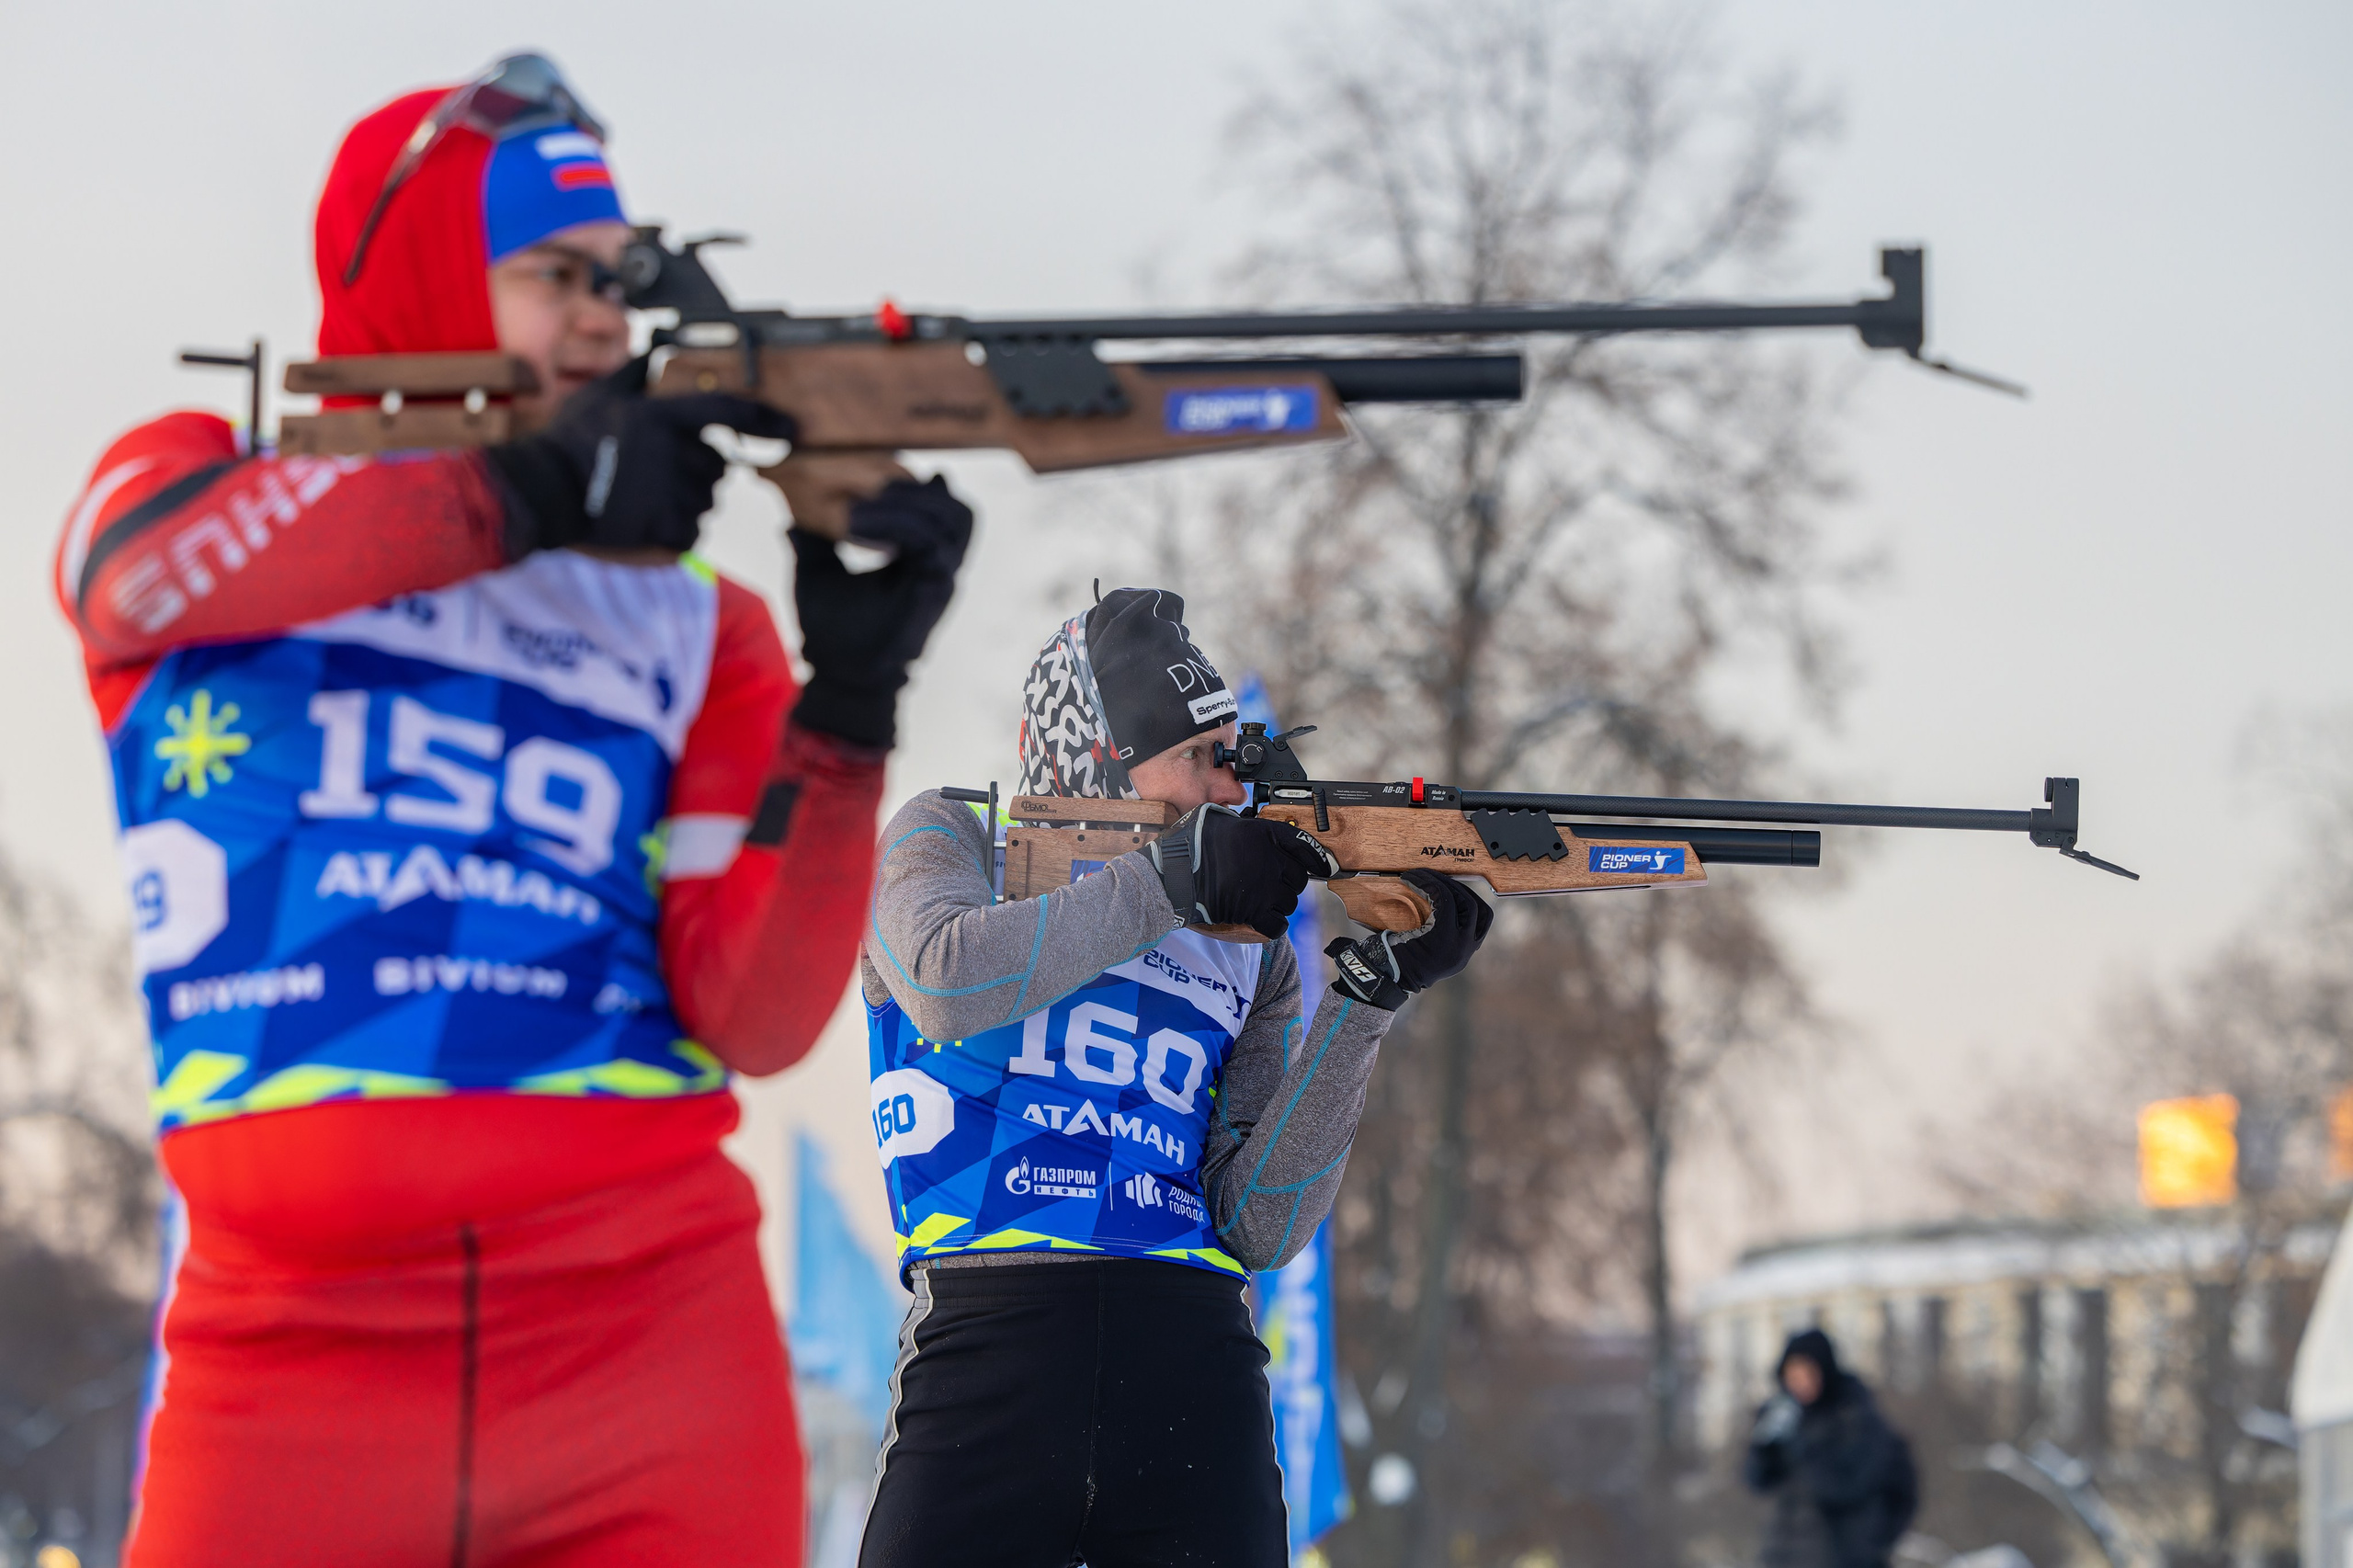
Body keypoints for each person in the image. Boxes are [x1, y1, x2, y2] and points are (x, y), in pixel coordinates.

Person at [56, 53, 970, 1567]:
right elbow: (125, 573)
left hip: (646, 1345)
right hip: (285, 1360)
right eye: (555, 275)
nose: (606, 319)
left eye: (619, 280)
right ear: (414, 270)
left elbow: (748, 1012)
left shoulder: (693, 624)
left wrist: (849, 714)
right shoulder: (204, 487)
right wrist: (526, 496)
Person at [854, 586, 1493, 1568]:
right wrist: (1167, 883)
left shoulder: (1252, 947)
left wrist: (1369, 998)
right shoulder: (952, 839)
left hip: (1194, 1367)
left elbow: (1258, 1221)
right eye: (1197, 756)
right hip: (986, 1355)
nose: (1225, 788)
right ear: (1100, 755)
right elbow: (945, 979)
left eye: (1231, 757)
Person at [1744, 1327, 1921, 1568]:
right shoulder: (1782, 1414)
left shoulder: (1854, 1416)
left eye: (1808, 1373)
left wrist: (1800, 1443)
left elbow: (1845, 1484)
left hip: (1846, 1556)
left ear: (1824, 1371)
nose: (1800, 1383)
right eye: (1793, 1374)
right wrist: (1763, 1447)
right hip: (1786, 1555)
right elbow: (1757, 1482)